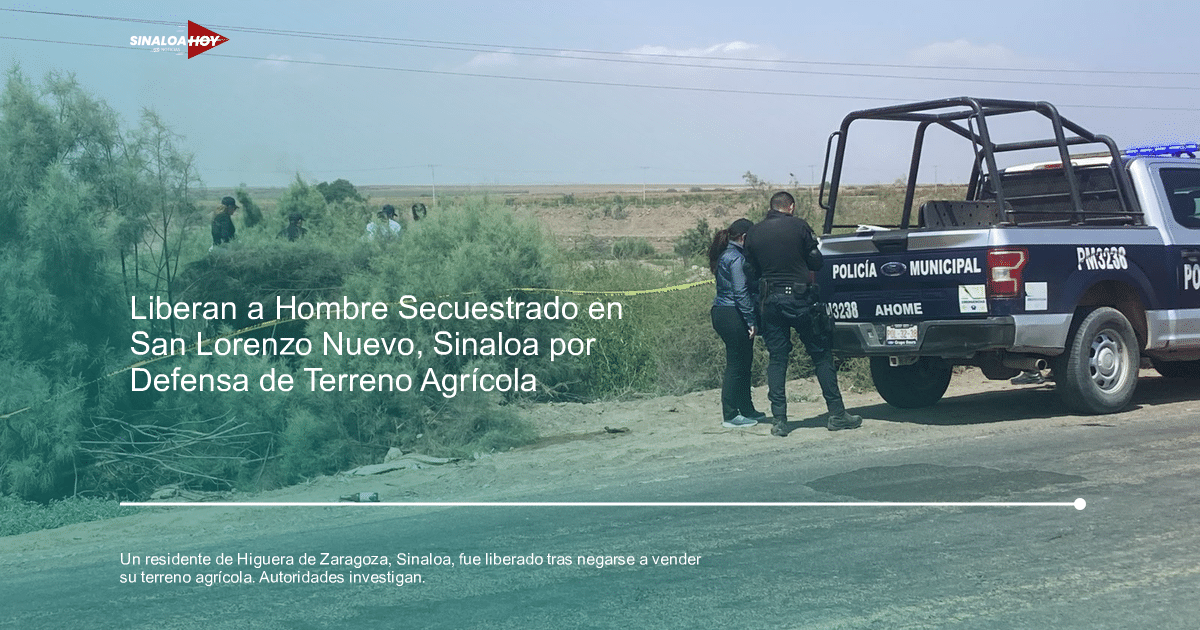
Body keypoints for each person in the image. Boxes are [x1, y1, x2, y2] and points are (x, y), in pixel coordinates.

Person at [744, 191, 862, 435]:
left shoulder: (754, 232)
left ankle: (779, 420)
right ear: (791, 207)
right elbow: (816, 262)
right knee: (820, 354)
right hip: (800, 300)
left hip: (770, 302)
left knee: (777, 358)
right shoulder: (799, 227)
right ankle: (837, 414)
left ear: (771, 207)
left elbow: (750, 271)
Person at [709, 218, 767, 428]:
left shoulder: (728, 255)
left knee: (744, 363)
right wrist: (751, 319)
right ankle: (731, 414)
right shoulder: (735, 259)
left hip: (725, 312)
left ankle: (747, 409)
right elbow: (740, 292)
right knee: (736, 365)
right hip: (732, 313)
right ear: (744, 237)